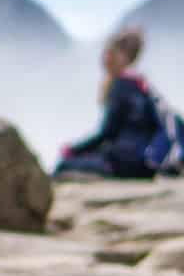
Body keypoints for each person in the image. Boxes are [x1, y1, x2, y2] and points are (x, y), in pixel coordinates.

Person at [56, 27, 162, 180]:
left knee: (63, 166)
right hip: (146, 164)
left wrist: (73, 150)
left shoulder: (120, 85)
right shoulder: (142, 85)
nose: (105, 58)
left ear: (122, 57)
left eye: (109, 53)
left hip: (122, 164)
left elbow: (107, 133)